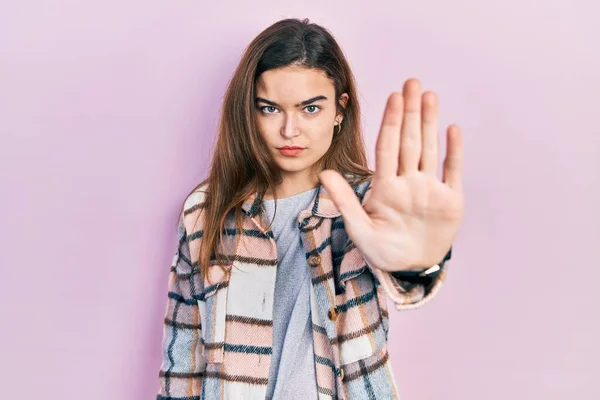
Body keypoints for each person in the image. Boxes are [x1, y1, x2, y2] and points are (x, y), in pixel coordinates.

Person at [157, 17, 464, 400]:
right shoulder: (204, 211)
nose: (289, 130)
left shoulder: (369, 206)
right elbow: (182, 363)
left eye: (310, 109)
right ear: (248, 112)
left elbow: (408, 280)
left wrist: (418, 266)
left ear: (339, 110)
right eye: (269, 109)